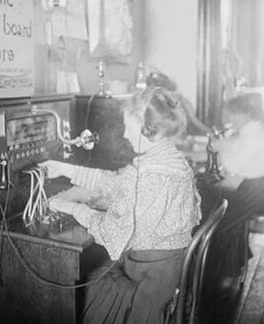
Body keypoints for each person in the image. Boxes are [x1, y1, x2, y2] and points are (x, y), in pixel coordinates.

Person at [43, 87, 202, 324]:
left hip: (147, 282)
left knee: (89, 285)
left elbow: (114, 231)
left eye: (129, 127)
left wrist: (72, 208)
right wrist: (67, 169)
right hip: (170, 269)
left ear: (148, 129)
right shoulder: (169, 158)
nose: (126, 134)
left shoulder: (149, 174)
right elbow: (118, 182)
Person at [202, 93, 264, 287]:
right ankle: (233, 268)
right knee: (232, 223)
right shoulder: (251, 130)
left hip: (254, 190)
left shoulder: (254, 135)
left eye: (232, 115)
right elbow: (237, 145)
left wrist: (220, 149)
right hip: (252, 186)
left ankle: (226, 272)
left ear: (244, 115)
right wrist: (223, 144)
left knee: (223, 224)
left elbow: (234, 167)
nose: (229, 119)